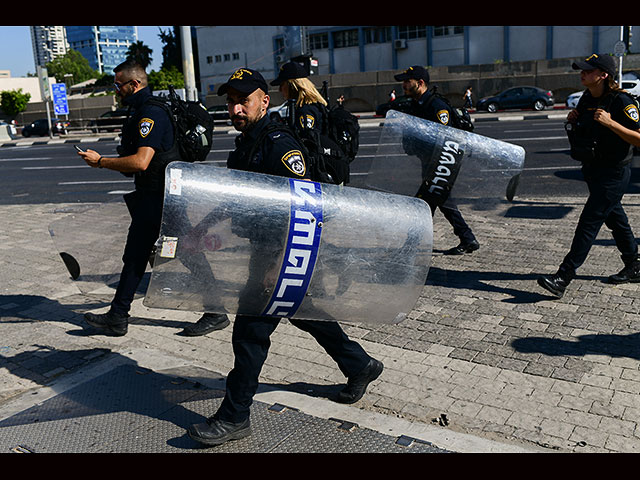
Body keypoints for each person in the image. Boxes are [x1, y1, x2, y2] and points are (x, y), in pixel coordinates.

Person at [187, 68, 383, 447]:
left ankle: (234, 416)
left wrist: (279, 265)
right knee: (303, 312)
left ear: (264, 100)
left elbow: (307, 205)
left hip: (281, 252)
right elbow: (236, 196)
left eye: (243, 100)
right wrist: (202, 227)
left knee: (249, 334)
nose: (235, 108)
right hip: (267, 250)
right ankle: (360, 365)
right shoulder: (249, 143)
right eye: (230, 102)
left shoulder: (278, 145)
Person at [77, 59, 230, 337]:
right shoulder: (143, 110)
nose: (116, 90)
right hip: (160, 196)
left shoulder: (150, 114)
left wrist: (100, 162)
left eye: (118, 85)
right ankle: (119, 314)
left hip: (160, 198)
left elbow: (141, 162)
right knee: (147, 254)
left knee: (164, 254)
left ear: (135, 84)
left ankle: (214, 311)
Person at [537, 54, 640, 298]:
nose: (582, 73)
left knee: (588, 223)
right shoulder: (586, 98)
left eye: (588, 70)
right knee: (616, 220)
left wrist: (611, 123)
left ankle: (563, 277)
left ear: (603, 75)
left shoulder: (622, 102)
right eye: (581, 70)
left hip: (614, 173)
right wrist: (575, 119)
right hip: (593, 170)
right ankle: (634, 264)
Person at [394, 65, 480, 255]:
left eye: (407, 81)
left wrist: (438, 166)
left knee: (423, 203)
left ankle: (410, 246)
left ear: (420, 83)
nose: (404, 85)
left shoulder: (437, 106)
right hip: (430, 162)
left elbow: (447, 139)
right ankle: (467, 238)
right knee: (442, 201)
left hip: (444, 163)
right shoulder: (417, 105)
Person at [270, 60, 327, 135]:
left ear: (292, 86)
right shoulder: (314, 106)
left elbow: (307, 140)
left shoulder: (305, 111)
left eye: (282, 85)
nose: (280, 90)